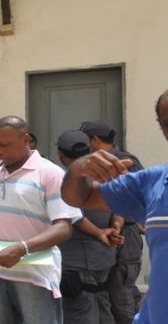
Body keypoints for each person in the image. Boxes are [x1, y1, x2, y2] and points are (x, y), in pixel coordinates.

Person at [61, 89, 168, 324]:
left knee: (121, 297)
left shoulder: (126, 162)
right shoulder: (152, 181)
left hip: (121, 242)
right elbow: (78, 197)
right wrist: (78, 168)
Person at [0, 116, 81, 324]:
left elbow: (63, 228)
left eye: (5, 145)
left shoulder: (50, 173)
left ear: (26, 140)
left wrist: (21, 249)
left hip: (34, 276)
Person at [78, 120, 145, 324]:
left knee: (121, 299)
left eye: (84, 141)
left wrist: (120, 222)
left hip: (125, 238)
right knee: (113, 296)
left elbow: (136, 198)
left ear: (94, 140)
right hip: (111, 239)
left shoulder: (124, 162)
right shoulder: (103, 163)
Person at [55, 130, 118, 324]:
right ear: (90, 149)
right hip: (104, 257)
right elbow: (120, 208)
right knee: (103, 309)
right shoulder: (106, 177)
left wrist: (100, 233)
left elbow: (75, 217)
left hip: (75, 262)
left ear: (60, 153)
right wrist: (115, 228)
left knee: (80, 313)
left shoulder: (63, 181)